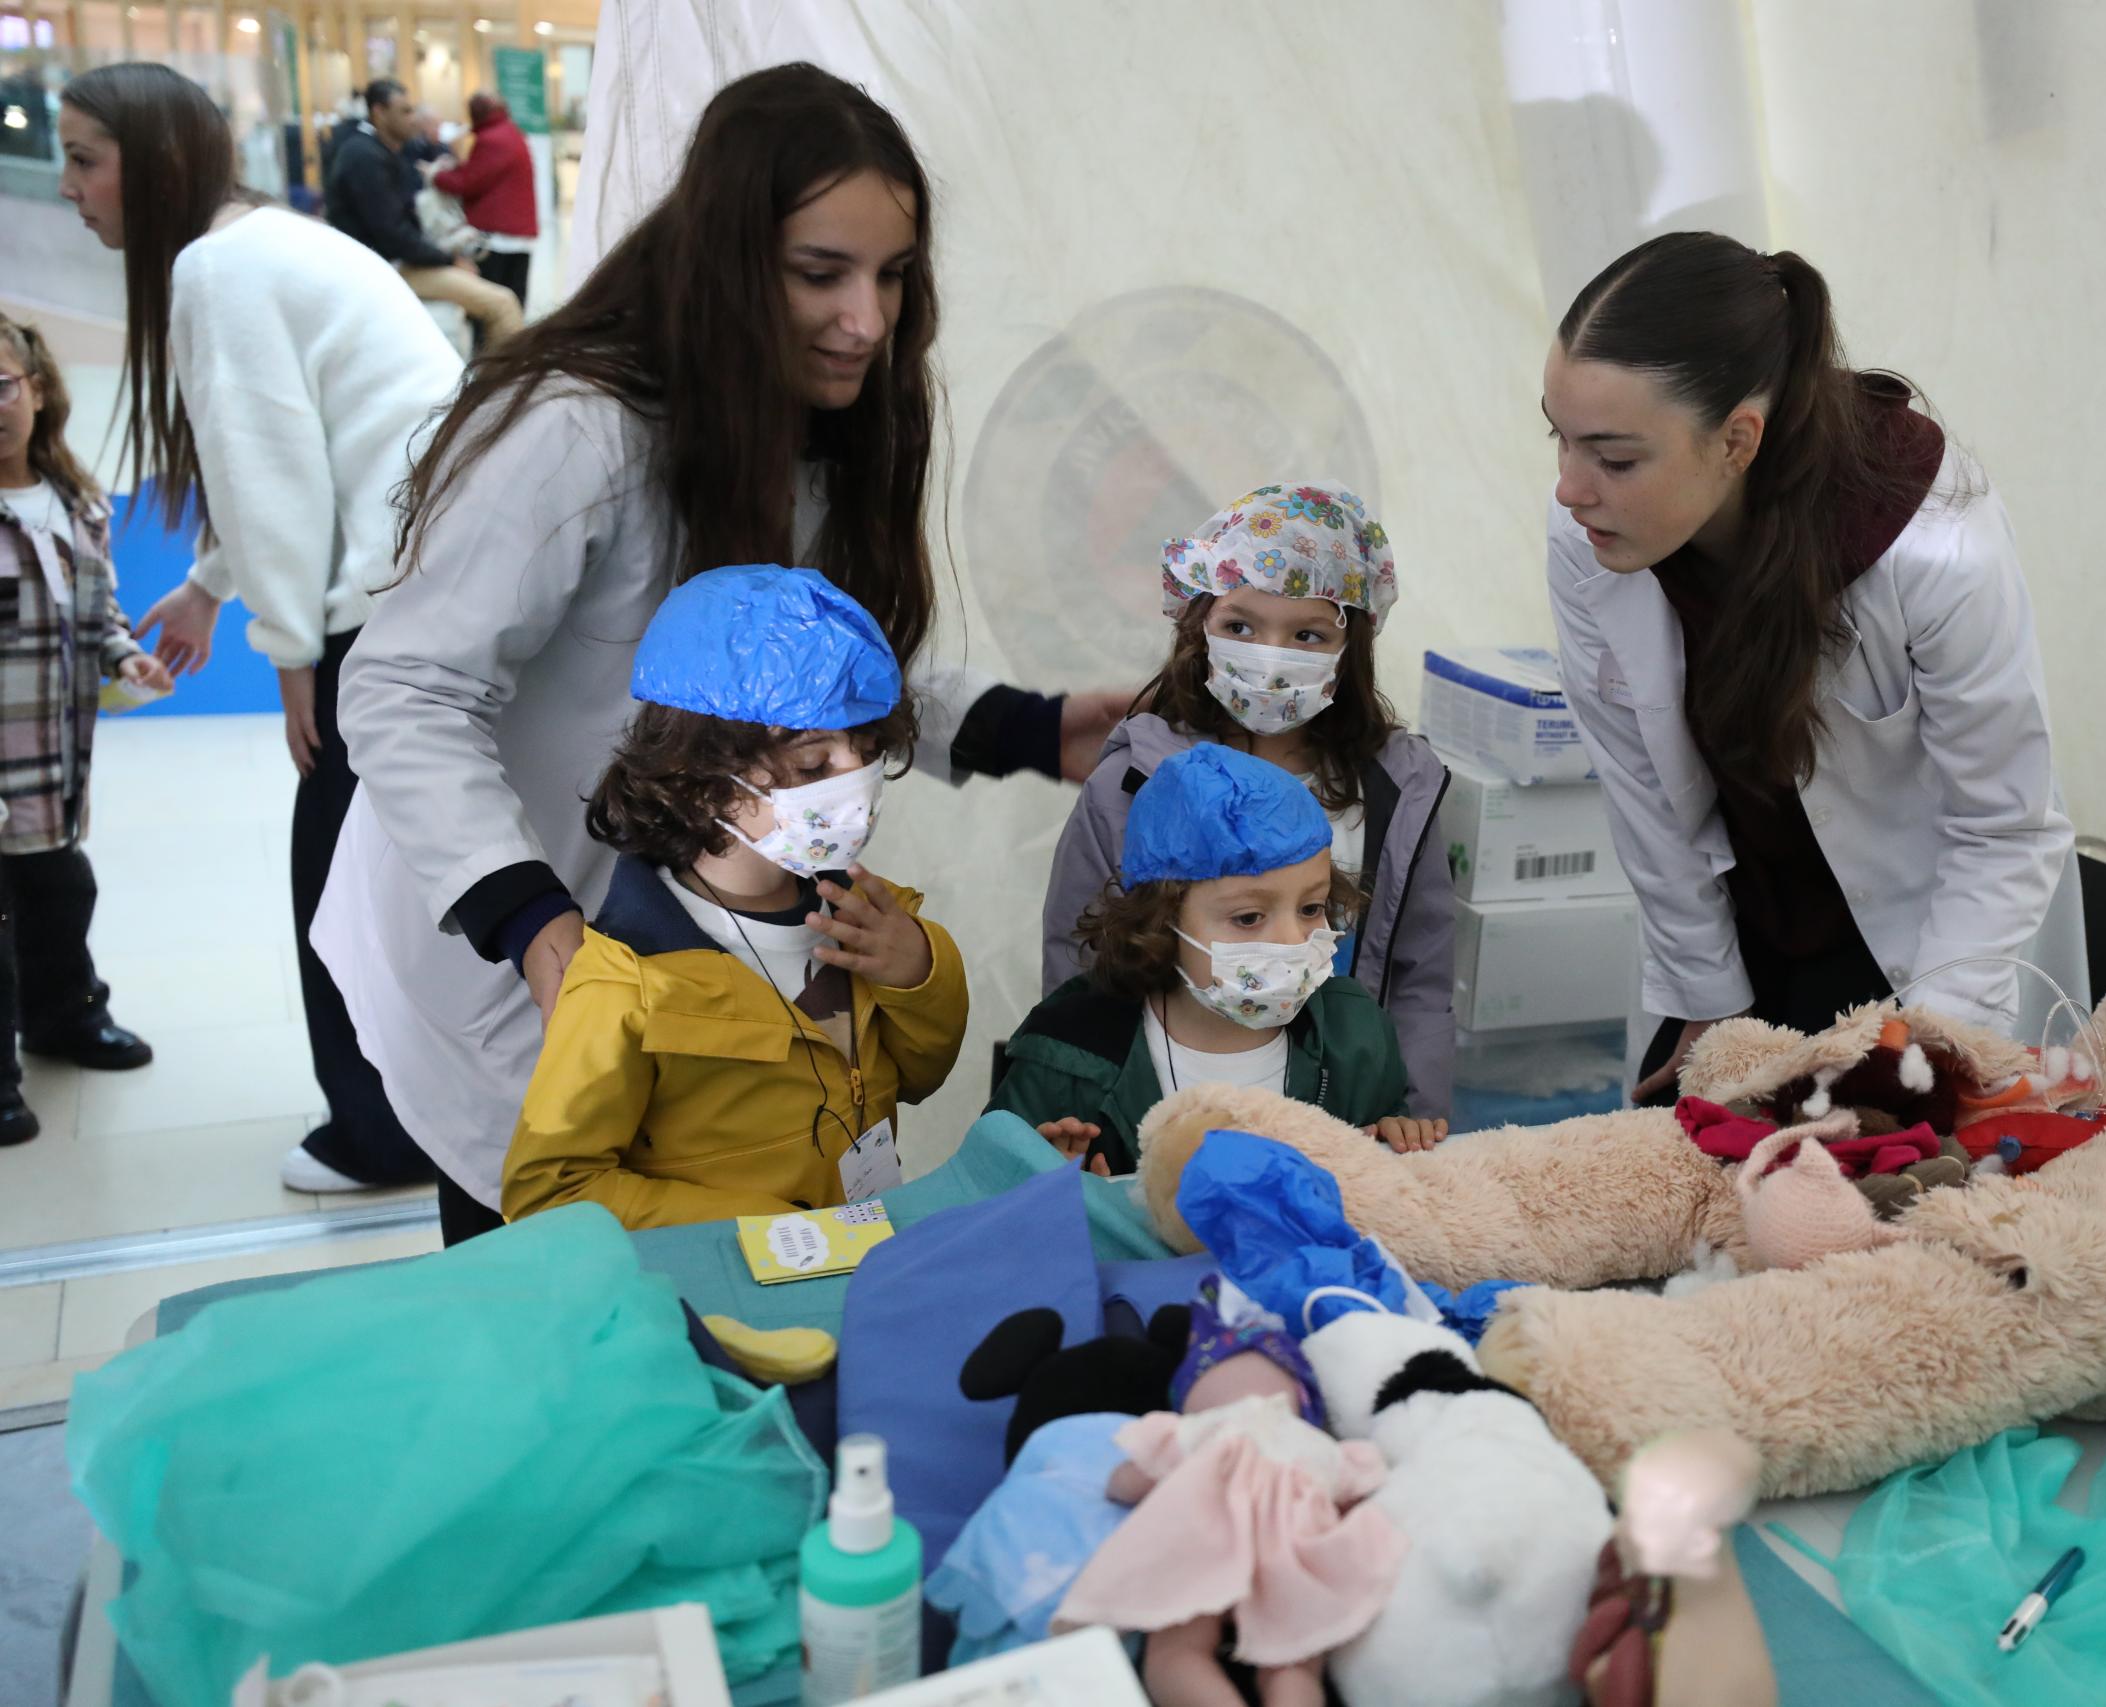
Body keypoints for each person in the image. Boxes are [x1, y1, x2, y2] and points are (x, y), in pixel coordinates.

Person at [315, 62, 1131, 1245]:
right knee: (562, 1275)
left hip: (666, 946)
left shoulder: (811, 425)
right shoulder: (578, 431)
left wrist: (1028, 727)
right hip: (506, 935)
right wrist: (536, 929)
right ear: (727, 262)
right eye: (821, 274)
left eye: (893, 276)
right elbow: (403, 689)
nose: (868, 320)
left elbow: (820, 673)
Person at [1538, 232, 2085, 1105]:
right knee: (1694, 1176)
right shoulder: (1592, 537)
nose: (1571, 486)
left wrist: (1928, 1044)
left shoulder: (1936, 537)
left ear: (1738, 439)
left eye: (1614, 457)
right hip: (1742, 931)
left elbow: (2002, 827)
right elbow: (1643, 793)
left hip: (1923, 937)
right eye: (1558, 438)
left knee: (1894, 1192)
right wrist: (1708, 1002)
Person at [57, 62, 451, 1192]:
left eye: (86, 160)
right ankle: (416, 1108)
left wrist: (292, 658)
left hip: (383, 606)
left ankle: (381, 1133)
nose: (72, 189)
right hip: (423, 580)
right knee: (387, 863)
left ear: (156, 158)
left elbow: (280, 480)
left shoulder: (218, 269)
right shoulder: (263, 243)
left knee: (337, 873)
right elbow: (296, 451)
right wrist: (208, 584)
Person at [501, 567, 966, 1232]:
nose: (856, 784)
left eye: (866, 751)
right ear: (696, 774)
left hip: (859, 1268)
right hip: (726, 1298)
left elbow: (924, 1073)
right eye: (814, 765)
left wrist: (920, 969)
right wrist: (762, 1223)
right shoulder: (628, 980)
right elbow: (550, 1190)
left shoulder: (863, 915)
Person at [1041, 483, 1457, 1120]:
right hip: (1165, 1109)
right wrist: (1086, 1108)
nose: (1270, 659)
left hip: (1342, 1112)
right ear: (1197, 623)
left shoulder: (1398, 790)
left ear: (1355, 646)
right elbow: (1079, 962)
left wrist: (1414, 1109)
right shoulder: (1132, 783)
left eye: (1308, 635)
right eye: (1241, 626)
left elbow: (1420, 978)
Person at [992, 745, 1432, 1179]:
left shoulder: (1354, 1037)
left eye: (1311, 908)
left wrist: (1397, 1135)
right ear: (1161, 922)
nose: (1293, 939)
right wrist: (1043, 1185)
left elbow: (1382, 1153)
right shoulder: (1068, 1053)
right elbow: (985, 1198)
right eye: (1249, 917)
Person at [0, 315, 172, 1147]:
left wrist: (128, 657)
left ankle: (63, 1018)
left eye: (3, 384)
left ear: (36, 390)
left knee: (61, 893)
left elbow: (98, 612)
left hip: (51, 765)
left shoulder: (76, 504)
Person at [323, 78, 522, 350]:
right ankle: (505, 390)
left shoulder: (374, 151)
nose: (413, 119)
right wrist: (448, 260)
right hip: (388, 268)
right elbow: (393, 235)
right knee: (503, 304)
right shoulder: (365, 158)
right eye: (404, 111)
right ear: (379, 112)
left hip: (393, 260)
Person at [432, 93, 537, 308]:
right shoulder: (510, 132)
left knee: (492, 306)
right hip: (517, 233)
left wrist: (435, 175)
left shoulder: (491, 139)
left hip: (498, 237)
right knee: (514, 302)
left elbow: (469, 182)